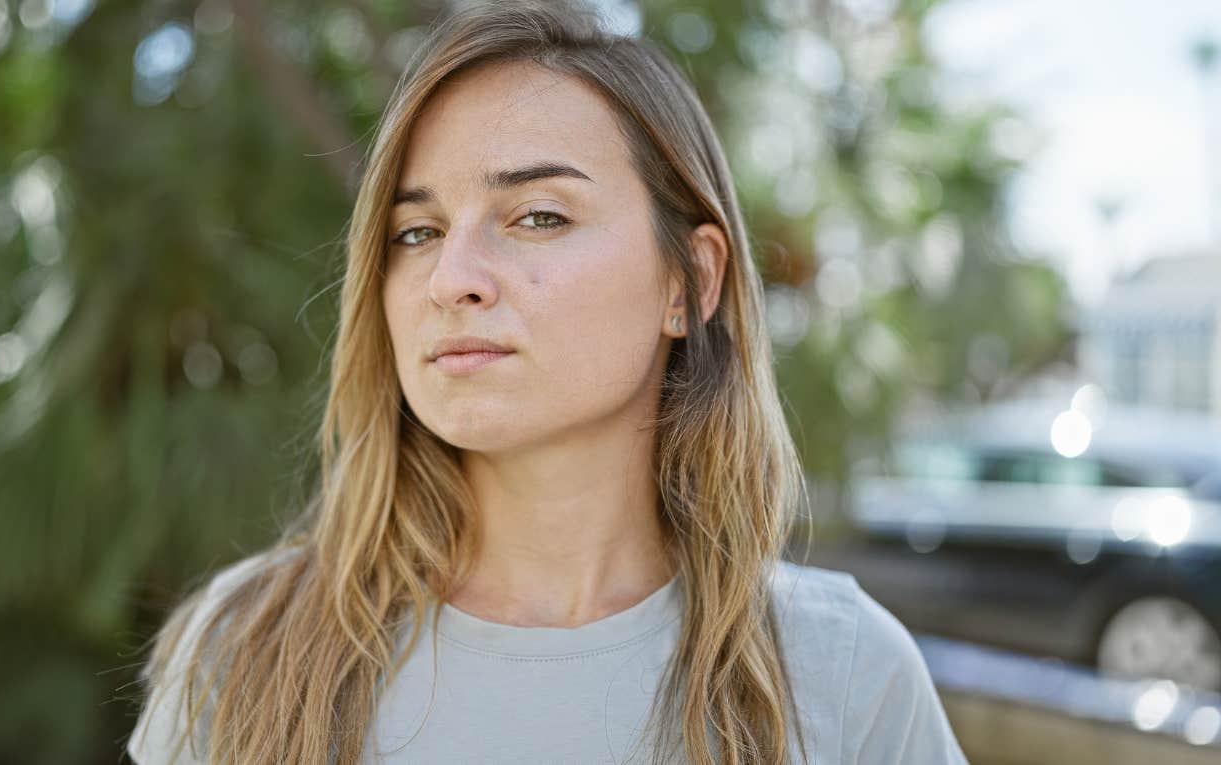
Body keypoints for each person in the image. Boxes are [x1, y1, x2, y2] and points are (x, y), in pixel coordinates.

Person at [126, 1, 971, 763]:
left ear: (690, 283)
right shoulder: (242, 650)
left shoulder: (846, 675)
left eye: (539, 217)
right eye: (416, 231)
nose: (451, 277)